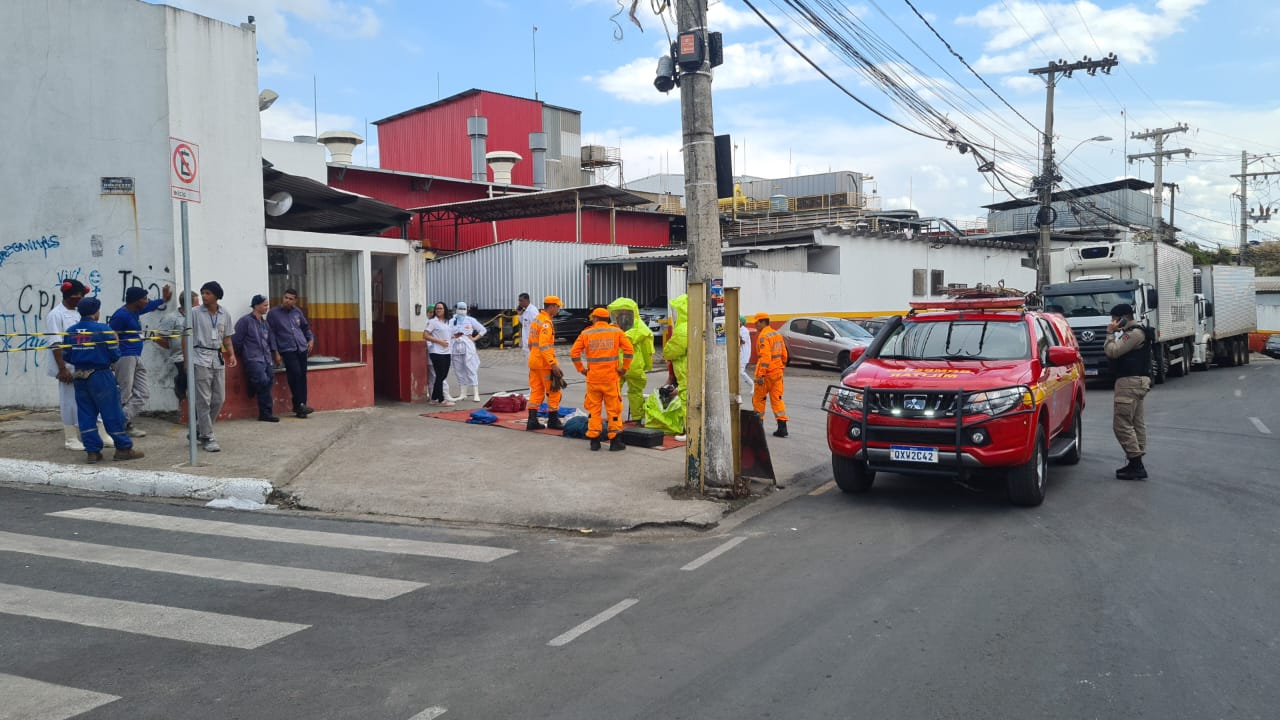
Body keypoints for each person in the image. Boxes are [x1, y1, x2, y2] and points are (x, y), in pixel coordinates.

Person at [61, 297, 143, 463]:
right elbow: (115, 355)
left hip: (79, 376)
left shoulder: (71, 331)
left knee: (85, 414)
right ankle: (123, 448)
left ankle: (92, 452)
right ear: (95, 312)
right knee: (111, 412)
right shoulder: (103, 329)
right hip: (101, 376)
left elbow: (67, 356)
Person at [109, 284, 172, 437]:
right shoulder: (120, 315)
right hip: (124, 357)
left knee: (143, 393)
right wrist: (113, 357)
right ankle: (119, 426)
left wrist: (163, 299)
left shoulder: (135, 311)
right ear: (135, 301)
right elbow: (111, 336)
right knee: (125, 393)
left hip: (136, 356)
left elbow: (150, 306)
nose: (146, 300)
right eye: (144, 298)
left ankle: (119, 420)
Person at [571, 307, 634, 451]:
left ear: (595, 318)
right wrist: (624, 368)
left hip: (593, 379)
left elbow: (574, 353)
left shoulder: (586, 333)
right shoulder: (617, 332)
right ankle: (615, 441)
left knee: (594, 410)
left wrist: (582, 370)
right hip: (611, 378)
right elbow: (629, 351)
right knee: (614, 410)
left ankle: (594, 441)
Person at [1103, 303, 1151, 480]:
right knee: (1136, 422)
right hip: (1136, 382)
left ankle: (1136, 463)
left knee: (1121, 424)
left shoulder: (1134, 334)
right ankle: (1135, 462)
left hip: (1130, 382)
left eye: (1114, 319)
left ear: (1122, 317)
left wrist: (1109, 333)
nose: (1112, 322)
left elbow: (1112, 351)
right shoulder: (1137, 332)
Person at [191, 281, 236, 452]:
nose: (204, 296)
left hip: (217, 357)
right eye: (202, 293)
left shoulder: (225, 314)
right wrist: (187, 361)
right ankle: (208, 436)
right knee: (203, 400)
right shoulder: (194, 313)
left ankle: (199, 429)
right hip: (200, 357)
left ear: (216, 295)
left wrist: (231, 354)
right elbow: (185, 337)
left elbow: (227, 338)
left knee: (219, 399)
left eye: (208, 293)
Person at [267, 288, 315, 418]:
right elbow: (271, 335)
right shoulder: (273, 314)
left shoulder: (297, 312)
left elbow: (305, 327)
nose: (287, 300)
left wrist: (310, 339)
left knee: (302, 377)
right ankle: (299, 405)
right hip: (287, 349)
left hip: (301, 348)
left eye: (290, 299)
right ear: (282, 297)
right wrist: (275, 352)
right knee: (295, 374)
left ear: (295, 300)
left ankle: (301, 406)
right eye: (286, 298)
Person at [234, 294, 281, 422]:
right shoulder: (245, 321)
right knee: (262, 381)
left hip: (266, 358)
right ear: (256, 305)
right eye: (265, 305)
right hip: (253, 358)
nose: (267, 307)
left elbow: (271, 339)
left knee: (268, 381)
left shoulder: (265, 323)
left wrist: (275, 354)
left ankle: (254, 388)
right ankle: (266, 412)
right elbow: (236, 341)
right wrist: (243, 353)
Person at [606, 297, 653, 422]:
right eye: (620, 313)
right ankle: (637, 418)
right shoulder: (641, 329)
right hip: (634, 365)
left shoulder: (612, 328)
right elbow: (647, 349)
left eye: (624, 313)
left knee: (615, 391)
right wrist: (647, 365)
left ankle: (614, 416)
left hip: (617, 365)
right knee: (635, 391)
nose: (623, 316)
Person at [526, 295, 565, 431]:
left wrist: (535, 357)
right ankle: (553, 420)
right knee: (554, 390)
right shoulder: (546, 323)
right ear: (552, 306)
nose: (559, 309)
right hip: (544, 363)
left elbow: (531, 343)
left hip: (534, 361)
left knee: (536, 391)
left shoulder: (537, 320)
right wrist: (553, 364)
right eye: (558, 307)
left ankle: (532, 421)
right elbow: (544, 345)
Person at [752, 312, 790, 438]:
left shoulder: (763, 336)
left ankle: (758, 428)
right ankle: (782, 428)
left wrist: (761, 375)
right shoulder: (777, 334)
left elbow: (765, 357)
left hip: (766, 374)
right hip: (777, 373)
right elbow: (784, 355)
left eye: (756, 322)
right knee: (777, 400)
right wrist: (781, 367)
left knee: (759, 400)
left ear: (762, 322)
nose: (755, 325)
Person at [156, 291, 196, 401]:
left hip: (196, 354)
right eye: (196, 304)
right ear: (189, 304)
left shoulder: (196, 317)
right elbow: (159, 338)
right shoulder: (171, 318)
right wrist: (173, 346)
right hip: (179, 356)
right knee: (185, 370)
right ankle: (180, 387)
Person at [448, 301, 486, 402]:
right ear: (456, 309)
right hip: (455, 347)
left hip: (467, 347)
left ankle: (475, 393)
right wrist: (453, 336)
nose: (462, 311)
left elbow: (482, 330)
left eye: (464, 309)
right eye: (460, 308)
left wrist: (474, 338)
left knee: (471, 368)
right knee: (458, 369)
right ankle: (462, 393)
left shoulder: (470, 320)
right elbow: (447, 333)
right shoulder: (452, 321)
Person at [423, 301, 455, 406]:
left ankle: (434, 398)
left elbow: (447, 335)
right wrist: (439, 341)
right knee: (440, 374)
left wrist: (455, 336)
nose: (438, 310)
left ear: (445, 310)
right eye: (437, 309)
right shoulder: (433, 322)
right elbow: (425, 335)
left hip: (447, 351)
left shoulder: (447, 322)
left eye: (440, 308)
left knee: (443, 375)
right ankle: (441, 399)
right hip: (436, 351)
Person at [663, 294, 689, 411]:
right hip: (689, 371)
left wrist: (666, 351)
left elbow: (670, 352)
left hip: (685, 371)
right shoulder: (693, 324)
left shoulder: (682, 329)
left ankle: (687, 428)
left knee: (686, 403)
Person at [738, 315, 755, 400]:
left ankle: (752, 384)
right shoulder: (738, 329)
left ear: (742, 322)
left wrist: (736, 334)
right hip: (738, 354)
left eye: (739, 321)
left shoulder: (745, 331)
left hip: (744, 354)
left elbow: (742, 341)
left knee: (741, 372)